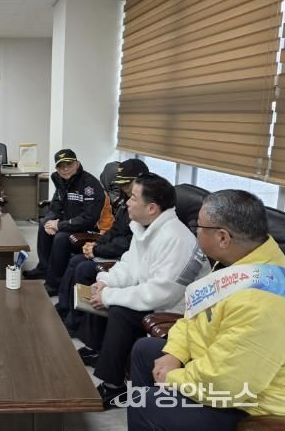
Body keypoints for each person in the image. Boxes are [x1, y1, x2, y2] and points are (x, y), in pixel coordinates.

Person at [128, 190, 285, 430]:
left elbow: (226, 383)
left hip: (248, 402)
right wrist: (175, 353)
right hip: (214, 360)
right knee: (144, 350)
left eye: (198, 226)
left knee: (146, 403)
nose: (195, 231)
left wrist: (172, 378)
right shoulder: (240, 263)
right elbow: (194, 314)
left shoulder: (260, 302)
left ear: (223, 237)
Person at [79, 173, 210, 408]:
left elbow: (162, 293)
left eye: (133, 198)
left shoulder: (176, 238)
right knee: (100, 291)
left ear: (151, 208)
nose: (127, 202)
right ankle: (99, 351)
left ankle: (114, 387)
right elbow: (130, 265)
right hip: (152, 295)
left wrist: (110, 296)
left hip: (174, 310)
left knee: (120, 311)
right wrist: (107, 282)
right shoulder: (145, 227)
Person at [56, 158, 149, 334]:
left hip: (124, 259)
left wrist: (98, 249)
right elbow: (114, 230)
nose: (123, 188)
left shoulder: (145, 207)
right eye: (121, 184)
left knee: (83, 268)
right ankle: (65, 308)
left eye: (127, 183)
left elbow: (128, 243)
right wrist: (96, 243)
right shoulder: (125, 201)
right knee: (75, 261)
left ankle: (75, 322)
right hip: (113, 250)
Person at [22, 149, 105, 294]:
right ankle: (44, 268)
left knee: (61, 238)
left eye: (69, 164)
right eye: (61, 166)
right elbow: (55, 206)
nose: (65, 169)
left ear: (77, 164)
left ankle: (54, 283)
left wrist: (60, 225)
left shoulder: (90, 185)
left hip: (87, 229)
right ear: (57, 169)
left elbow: (89, 218)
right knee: (43, 224)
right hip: (69, 223)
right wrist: (50, 221)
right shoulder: (61, 181)